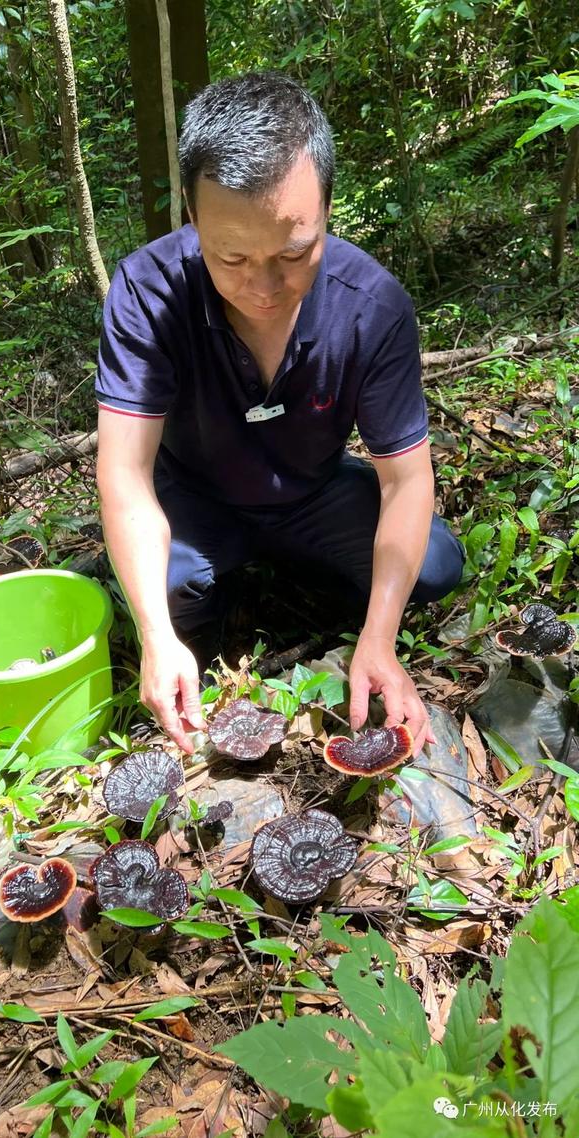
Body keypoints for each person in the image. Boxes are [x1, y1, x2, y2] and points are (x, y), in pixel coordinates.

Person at [95, 72, 464, 758]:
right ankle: (216, 589)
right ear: (191, 214)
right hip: (194, 497)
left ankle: (282, 566)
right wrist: (155, 635)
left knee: (436, 566)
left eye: (295, 253)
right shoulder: (148, 292)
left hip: (310, 493)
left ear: (326, 208)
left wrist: (379, 639)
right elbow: (124, 473)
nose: (264, 287)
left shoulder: (372, 305)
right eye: (231, 257)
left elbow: (407, 481)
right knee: (168, 594)